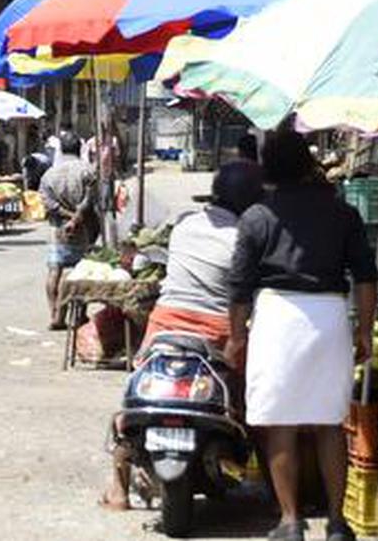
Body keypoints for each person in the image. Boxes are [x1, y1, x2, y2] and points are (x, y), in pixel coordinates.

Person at [224, 130, 378, 541]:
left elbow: (239, 285)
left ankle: (290, 521)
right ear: (309, 164)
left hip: (277, 319)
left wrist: (235, 336)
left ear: (267, 167)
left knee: (280, 423)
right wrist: (365, 330)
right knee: (330, 422)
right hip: (329, 317)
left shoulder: (258, 217)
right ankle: (337, 522)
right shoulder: (343, 212)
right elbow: (366, 276)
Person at [100, 162, 265, 511]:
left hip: (165, 326)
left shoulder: (186, 226)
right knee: (249, 402)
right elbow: (247, 297)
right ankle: (268, 481)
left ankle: (117, 488)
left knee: (135, 401)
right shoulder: (247, 239)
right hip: (218, 332)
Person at [39, 132, 98, 330]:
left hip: (58, 228)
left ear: (61, 149)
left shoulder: (49, 174)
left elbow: (47, 202)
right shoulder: (87, 171)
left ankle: (55, 314)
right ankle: (79, 315)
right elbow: (91, 199)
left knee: (54, 270)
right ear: (79, 148)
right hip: (84, 228)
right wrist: (77, 217)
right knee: (81, 272)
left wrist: (66, 215)